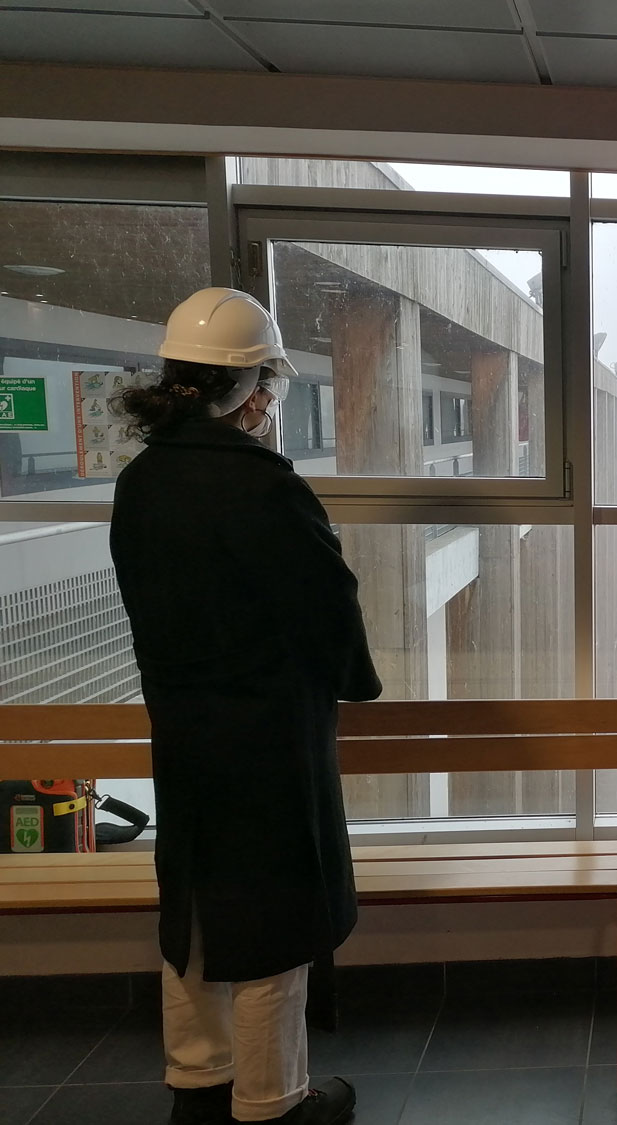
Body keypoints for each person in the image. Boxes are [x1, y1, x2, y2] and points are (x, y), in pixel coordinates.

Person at [109, 287, 382, 1125]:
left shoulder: (142, 482)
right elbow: (327, 608)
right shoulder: (265, 490)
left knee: (192, 908)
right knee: (276, 925)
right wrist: (354, 679)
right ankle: (272, 1102)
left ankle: (197, 1079)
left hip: (184, 733)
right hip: (268, 739)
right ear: (254, 391)